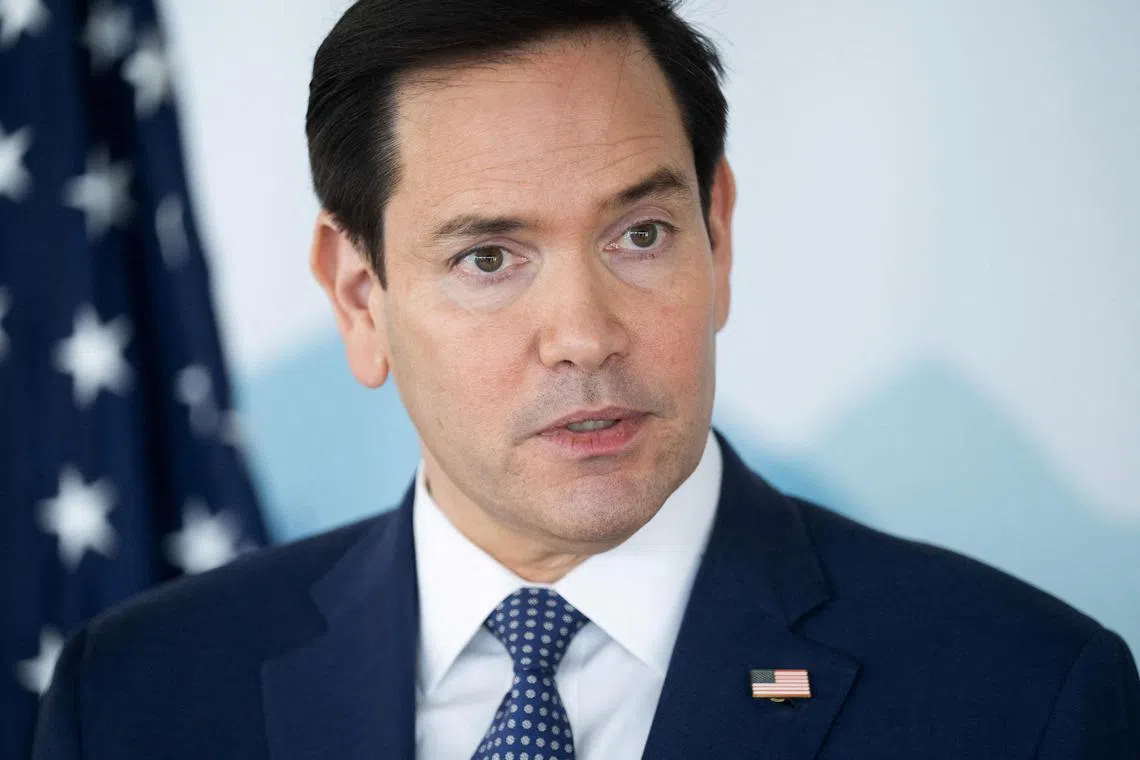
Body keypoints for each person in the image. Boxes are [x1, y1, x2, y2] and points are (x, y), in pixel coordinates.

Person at [34, 0, 1140, 757]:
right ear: (360, 298)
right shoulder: (138, 694)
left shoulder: (1026, 696)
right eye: (487, 259)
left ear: (720, 236)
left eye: (642, 234)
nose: (582, 333)